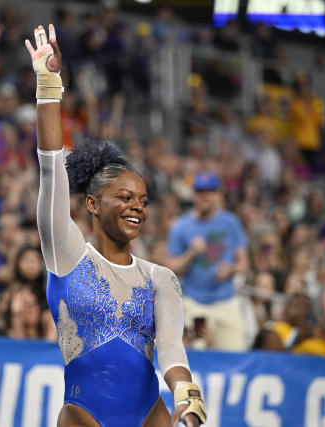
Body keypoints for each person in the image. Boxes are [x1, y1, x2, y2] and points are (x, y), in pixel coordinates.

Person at [26, 24, 205, 427]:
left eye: (142, 201)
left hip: (151, 416)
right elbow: (52, 168)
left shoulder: (160, 278)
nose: (137, 208)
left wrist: (189, 400)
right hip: (84, 416)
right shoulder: (66, 255)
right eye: (124, 198)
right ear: (92, 203)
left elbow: (172, 349)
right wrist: (49, 85)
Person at [167, 171, 249, 351]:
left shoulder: (231, 222)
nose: (205, 197)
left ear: (218, 194)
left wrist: (231, 269)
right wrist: (190, 253)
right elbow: (171, 268)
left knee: (236, 356)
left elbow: (244, 264)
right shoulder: (180, 227)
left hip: (226, 301)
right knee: (197, 357)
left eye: (210, 192)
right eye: (200, 192)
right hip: (194, 304)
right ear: (193, 194)